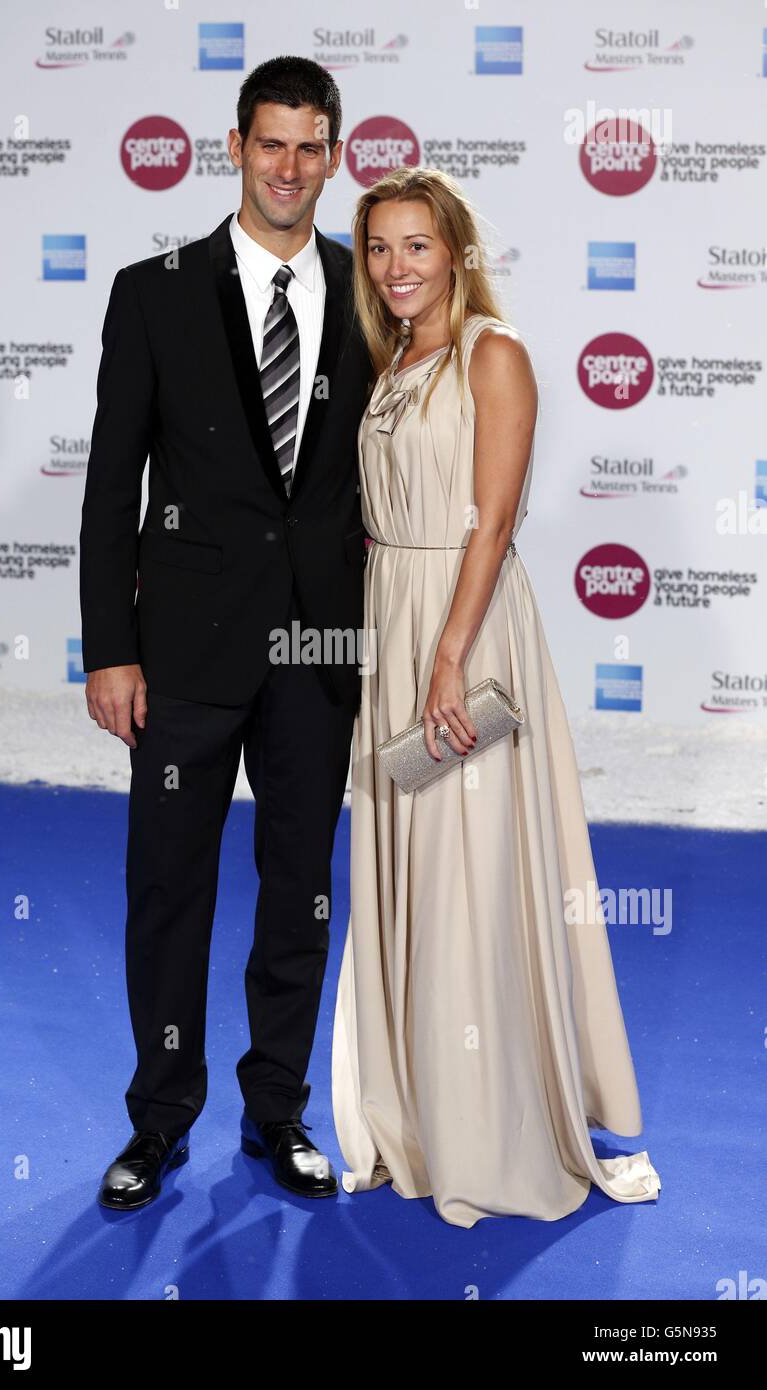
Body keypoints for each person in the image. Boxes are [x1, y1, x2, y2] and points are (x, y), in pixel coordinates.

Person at [331, 167, 662, 1229]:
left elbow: (492, 519)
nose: (395, 267)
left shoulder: (492, 353)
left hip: (460, 630)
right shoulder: (393, 360)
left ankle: (489, 1120)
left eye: (417, 245)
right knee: (407, 863)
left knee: (471, 867)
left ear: (456, 250)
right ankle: (416, 1106)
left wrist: (446, 655)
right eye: (379, 247)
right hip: (393, 621)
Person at [80, 56, 373, 1209]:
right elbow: (112, 486)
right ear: (235, 146)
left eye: (311, 146)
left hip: (316, 653)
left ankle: (278, 1112)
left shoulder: (367, 291)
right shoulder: (152, 290)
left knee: (299, 884)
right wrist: (111, 647)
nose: (290, 167)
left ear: (332, 155)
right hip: (185, 650)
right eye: (271, 143)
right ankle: (158, 1119)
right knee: (167, 888)